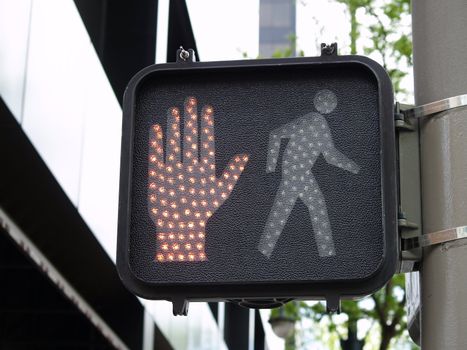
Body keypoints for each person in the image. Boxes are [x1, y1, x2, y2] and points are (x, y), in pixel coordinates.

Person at [258, 90, 359, 258]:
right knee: (308, 206)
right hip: (296, 171)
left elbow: (329, 155)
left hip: (299, 171)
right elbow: (275, 134)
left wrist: (354, 168)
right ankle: (327, 256)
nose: (329, 105)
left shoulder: (318, 122)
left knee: (289, 209)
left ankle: (264, 252)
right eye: (327, 102)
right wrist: (270, 168)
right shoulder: (314, 120)